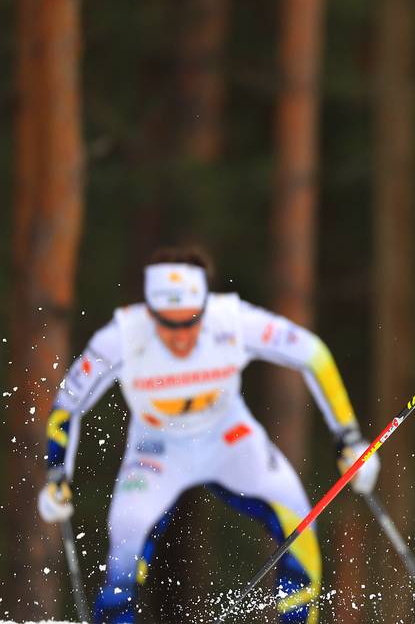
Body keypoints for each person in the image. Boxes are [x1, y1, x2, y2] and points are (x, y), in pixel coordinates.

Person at [37, 247, 380, 624]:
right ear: (149, 312)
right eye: (168, 323)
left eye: (190, 321)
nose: (180, 337)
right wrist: (56, 473)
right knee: (126, 533)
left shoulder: (231, 321)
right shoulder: (121, 336)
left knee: (298, 512)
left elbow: (313, 354)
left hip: (229, 439)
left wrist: (348, 438)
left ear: (205, 305)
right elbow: (69, 403)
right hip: (156, 451)